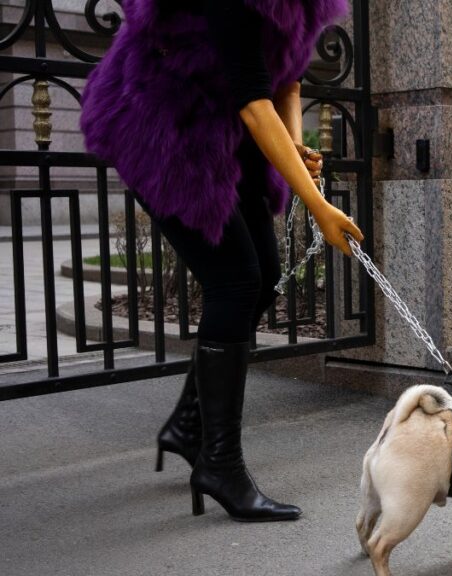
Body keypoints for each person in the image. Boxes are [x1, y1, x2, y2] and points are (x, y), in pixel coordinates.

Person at [80, 0, 363, 522]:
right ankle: (220, 463)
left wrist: (295, 147)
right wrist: (318, 206)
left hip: (226, 120)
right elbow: (255, 103)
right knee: (234, 280)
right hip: (162, 122)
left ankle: (190, 427)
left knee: (264, 274)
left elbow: (287, 83)